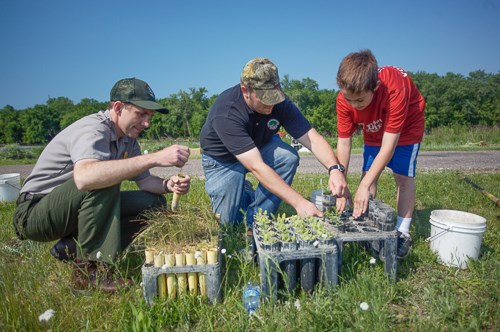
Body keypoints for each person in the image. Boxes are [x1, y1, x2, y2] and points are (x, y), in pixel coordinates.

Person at [13, 78, 191, 292]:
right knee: (104, 178)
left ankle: (72, 248)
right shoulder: (93, 129)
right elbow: (86, 178)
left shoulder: (129, 139)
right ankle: (90, 273)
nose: (147, 123)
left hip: (71, 209)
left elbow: (144, 180)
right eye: (141, 114)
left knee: (152, 203)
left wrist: (167, 184)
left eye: (149, 116)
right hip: (35, 212)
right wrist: (154, 157)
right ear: (118, 107)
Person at [200, 57, 348, 227]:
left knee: (287, 157)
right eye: (264, 97)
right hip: (223, 161)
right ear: (245, 90)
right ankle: (245, 192)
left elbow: (311, 137)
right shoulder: (227, 112)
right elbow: (257, 167)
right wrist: (299, 202)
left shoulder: (280, 103)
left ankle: (256, 219)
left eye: (274, 96)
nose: (270, 104)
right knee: (228, 224)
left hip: (259, 145)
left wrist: (335, 169)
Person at [335, 49, 426, 258]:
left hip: (407, 126)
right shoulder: (343, 99)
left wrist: (363, 186)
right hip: (375, 124)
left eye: (359, 101)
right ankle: (366, 222)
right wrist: (342, 180)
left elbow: (389, 145)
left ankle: (403, 231)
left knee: (402, 176)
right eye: (349, 99)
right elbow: (344, 143)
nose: (353, 106)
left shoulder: (395, 86)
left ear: (375, 87)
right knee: (369, 172)